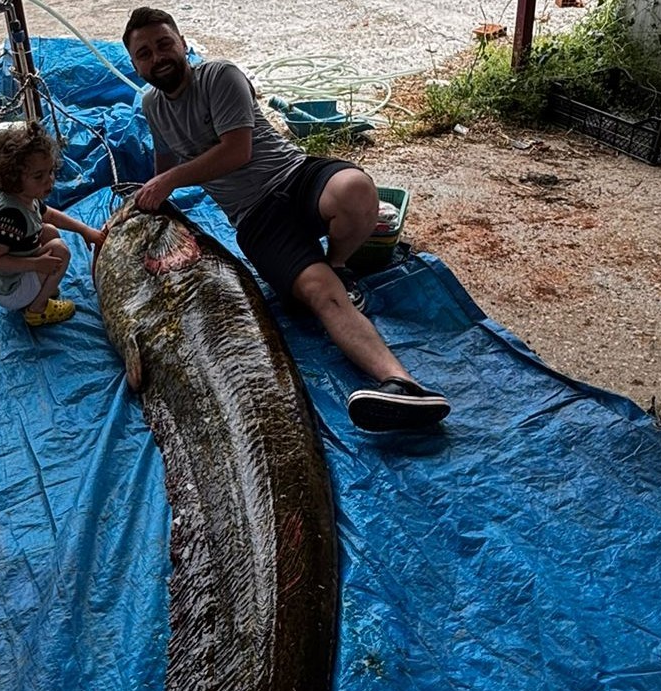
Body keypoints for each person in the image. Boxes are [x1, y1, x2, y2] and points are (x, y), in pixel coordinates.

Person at [122, 7, 451, 432]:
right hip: (256, 219)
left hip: (295, 177)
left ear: (183, 44)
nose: (157, 57)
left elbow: (236, 151)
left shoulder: (219, 76)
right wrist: (154, 208)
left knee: (356, 189)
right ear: (135, 65)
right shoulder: (153, 106)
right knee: (321, 296)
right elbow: (162, 166)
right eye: (144, 53)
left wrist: (169, 180)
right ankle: (402, 384)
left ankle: (339, 261)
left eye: (164, 44)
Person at [0, 124, 105, 327]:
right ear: (13, 178)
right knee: (60, 251)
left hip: (15, 275)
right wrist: (36, 265)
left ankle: (38, 286)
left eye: (50, 172)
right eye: (39, 176)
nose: (49, 181)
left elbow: (50, 216)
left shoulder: (26, 197)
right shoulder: (11, 215)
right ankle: (37, 309)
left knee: (50, 232)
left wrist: (85, 230)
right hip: (9, 290)